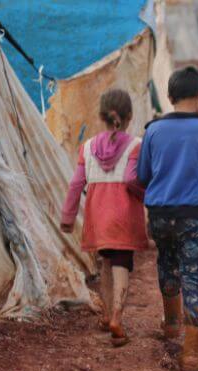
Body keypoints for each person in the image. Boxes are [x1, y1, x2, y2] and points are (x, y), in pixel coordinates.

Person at [137, 66, 198, 371]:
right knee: (194, 277)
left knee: (166, 263)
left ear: (169, 96)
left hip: (160, 214)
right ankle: (192, 353)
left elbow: (142, 175)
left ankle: (172, 323)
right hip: (194, 216)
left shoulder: (153, 130)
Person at [60, 89, 148, 348]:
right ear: (129, 116)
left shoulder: (87, 148)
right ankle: (117, 317)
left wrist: (68, 216)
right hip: (123, 217)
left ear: (101, 116)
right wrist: (145, 194)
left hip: (98, 217)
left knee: (106, 264)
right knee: (122, 264)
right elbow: (132, 179)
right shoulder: (136, 145)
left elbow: (76, 184)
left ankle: (108, 314)